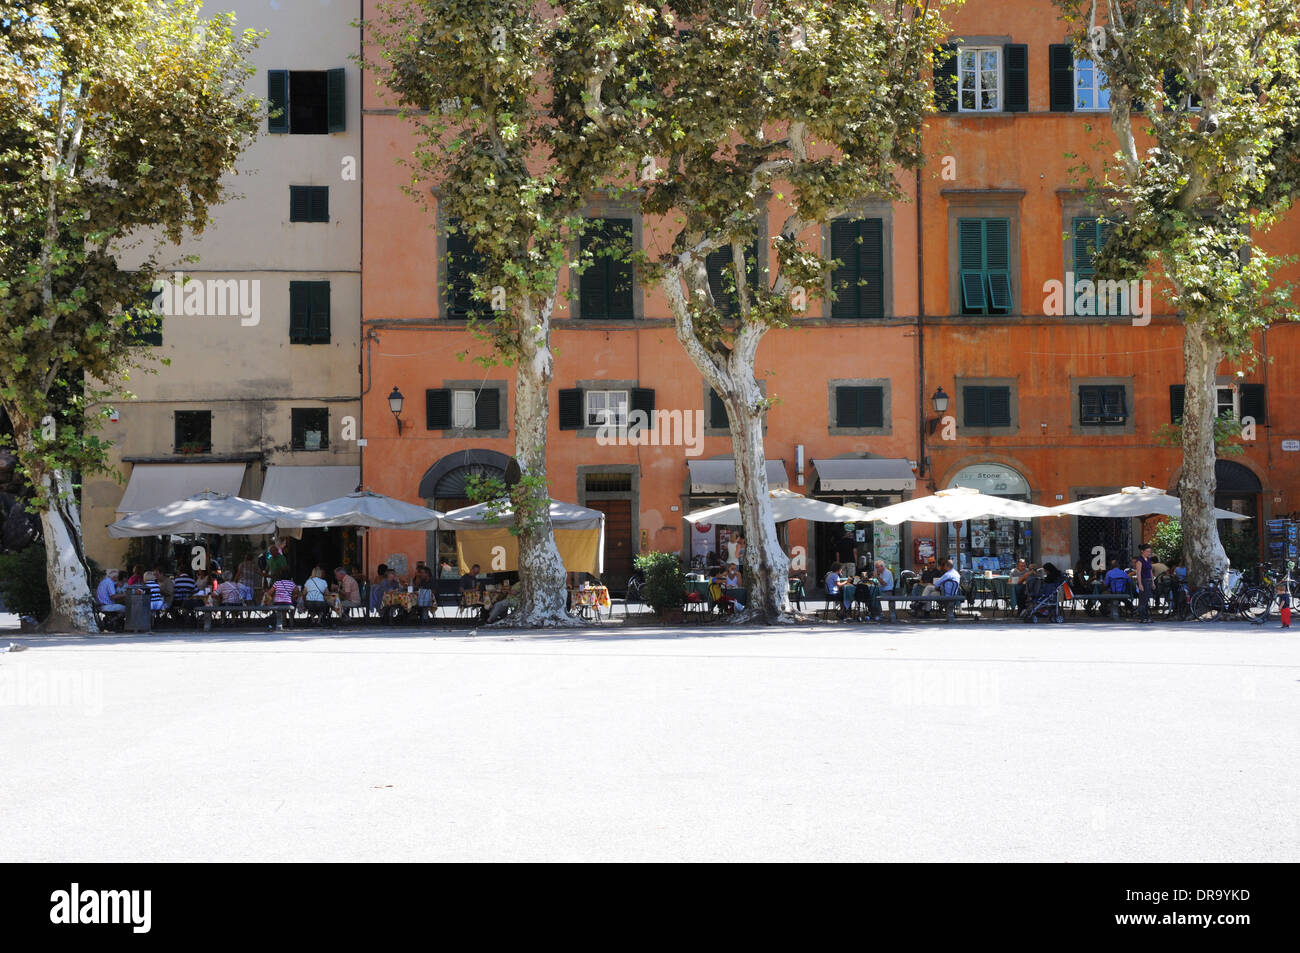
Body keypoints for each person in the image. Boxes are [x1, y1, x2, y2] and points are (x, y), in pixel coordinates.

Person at [1134, 543, 1155, 623]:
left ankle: (1146, 616)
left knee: (1147, 599)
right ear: (1142, 551)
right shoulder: (1139, 560)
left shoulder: (1149, 559)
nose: (1149, 553)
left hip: (1149, 580)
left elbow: (1150, 571)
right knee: (1143, 599)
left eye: (1149, 551)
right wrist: (1140, 584)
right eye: (1147, 551)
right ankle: (1142, 617)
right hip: (1143, 580)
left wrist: (1153, 582)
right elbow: (1138, 573)